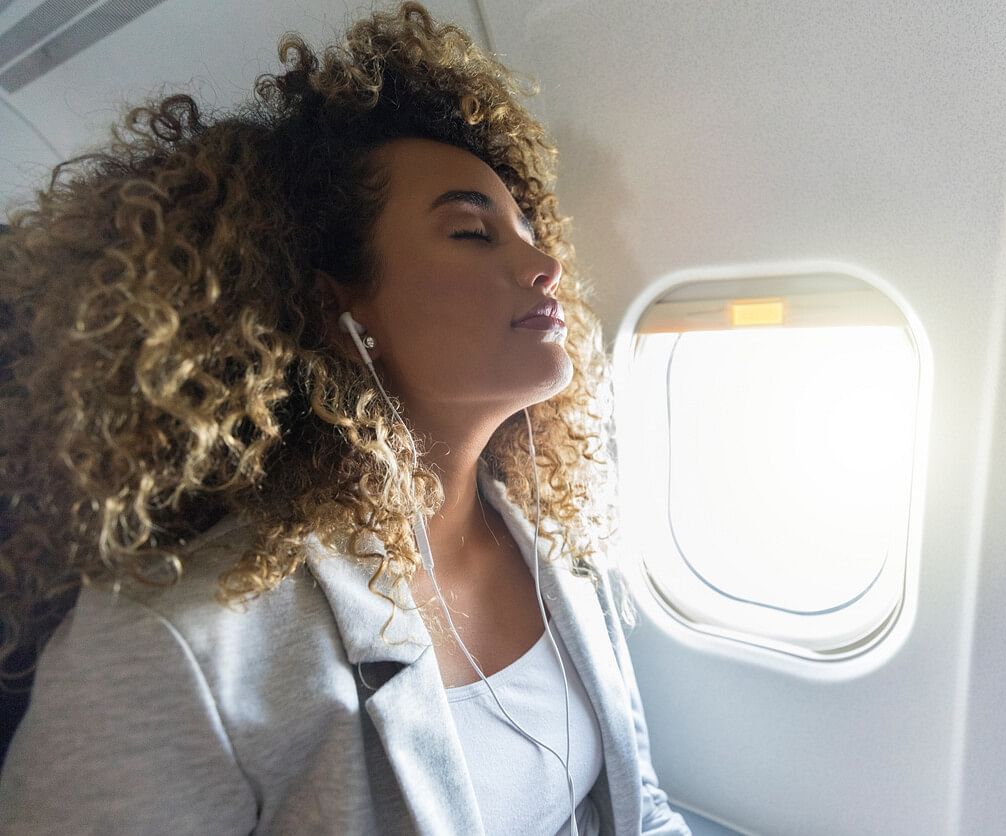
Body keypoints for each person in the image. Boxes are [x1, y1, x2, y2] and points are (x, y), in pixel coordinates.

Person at [0, 2, 691, 834]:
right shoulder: (176, 649)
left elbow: (638, 807)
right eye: (474, 232)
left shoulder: (561, 550)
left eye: (531, 231)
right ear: (334, 309)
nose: (545, 266)